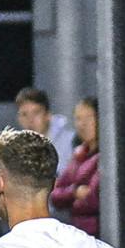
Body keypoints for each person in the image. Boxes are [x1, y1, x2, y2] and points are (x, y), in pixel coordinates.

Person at [49, 96, 100, 235]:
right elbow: (54, 195)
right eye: (78, 118)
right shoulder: (78, 155)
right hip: (80, 234)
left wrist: (69, 197)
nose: (82, 124)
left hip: (102, 233)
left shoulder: (108, 156)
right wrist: (74, 192)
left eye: (89, 117)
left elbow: (91, 199)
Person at [15, 86, 77, 173]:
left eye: (36, 113)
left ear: (48, 115)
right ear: (19, 119)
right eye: (24, 114)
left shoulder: (72, 141)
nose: (30, 120)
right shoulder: (15, 150)